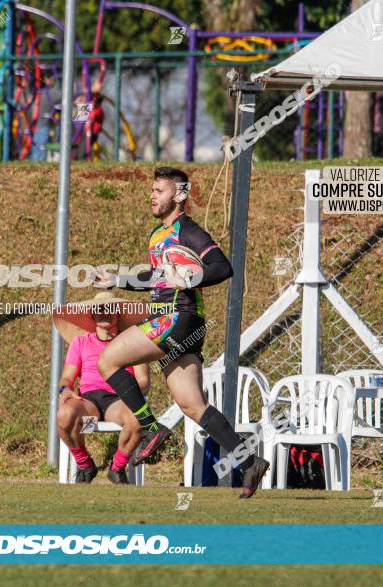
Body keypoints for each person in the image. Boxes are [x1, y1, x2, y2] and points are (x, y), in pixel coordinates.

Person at [92, 166, 271, 498]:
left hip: (178, 316)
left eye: (160, 190)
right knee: (192, 405)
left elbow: (222, 266)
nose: (153, 195)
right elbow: (154, 278)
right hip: (182, 323)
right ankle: (249, 463)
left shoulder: (187, 231)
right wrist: (117, 281)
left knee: (108, 359)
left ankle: (150, 428)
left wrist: (189, 279)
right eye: (153, 190)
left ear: (180, 196)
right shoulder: (157, 234)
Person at [53, 292, 150, 484]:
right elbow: (66, 378)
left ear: (118, 314)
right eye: (100, 308)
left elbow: (143, 381)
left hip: (119, 401)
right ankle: (86, 465)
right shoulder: (80, 343)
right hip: (89, 403)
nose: (105, 312)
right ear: (92, 315)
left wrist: (128, 396)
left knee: (139, 416)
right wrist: (65, 391)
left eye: (110, 308)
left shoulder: (134, 343)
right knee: (64, 414)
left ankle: (117, 468)